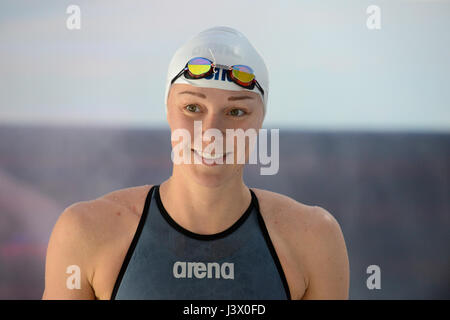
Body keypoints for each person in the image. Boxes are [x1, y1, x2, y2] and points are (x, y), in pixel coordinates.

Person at [42, 26, 349, 300]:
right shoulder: (86, 233)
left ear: (261, 120)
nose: (212, 133)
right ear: (167, 110)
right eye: (192, 107)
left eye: (236, 112)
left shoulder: (313, 240)